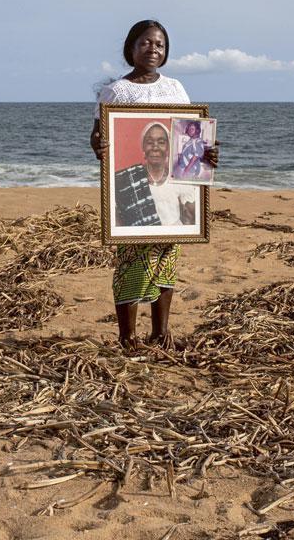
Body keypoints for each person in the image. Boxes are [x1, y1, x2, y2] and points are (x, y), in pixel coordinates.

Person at [90, 19, 219, 350]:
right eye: (145, 43)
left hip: (172, 189)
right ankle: (127, 336)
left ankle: (160, 333)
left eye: (159, 45)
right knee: (132, 263)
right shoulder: (117, 91)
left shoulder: (175, 89)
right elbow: (99, 136)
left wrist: (207, 154)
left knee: (166, 260)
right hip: (135, 190)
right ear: (131, 49)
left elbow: (189, 137)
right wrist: (100, 146)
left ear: (166, 52)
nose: (153, 49)